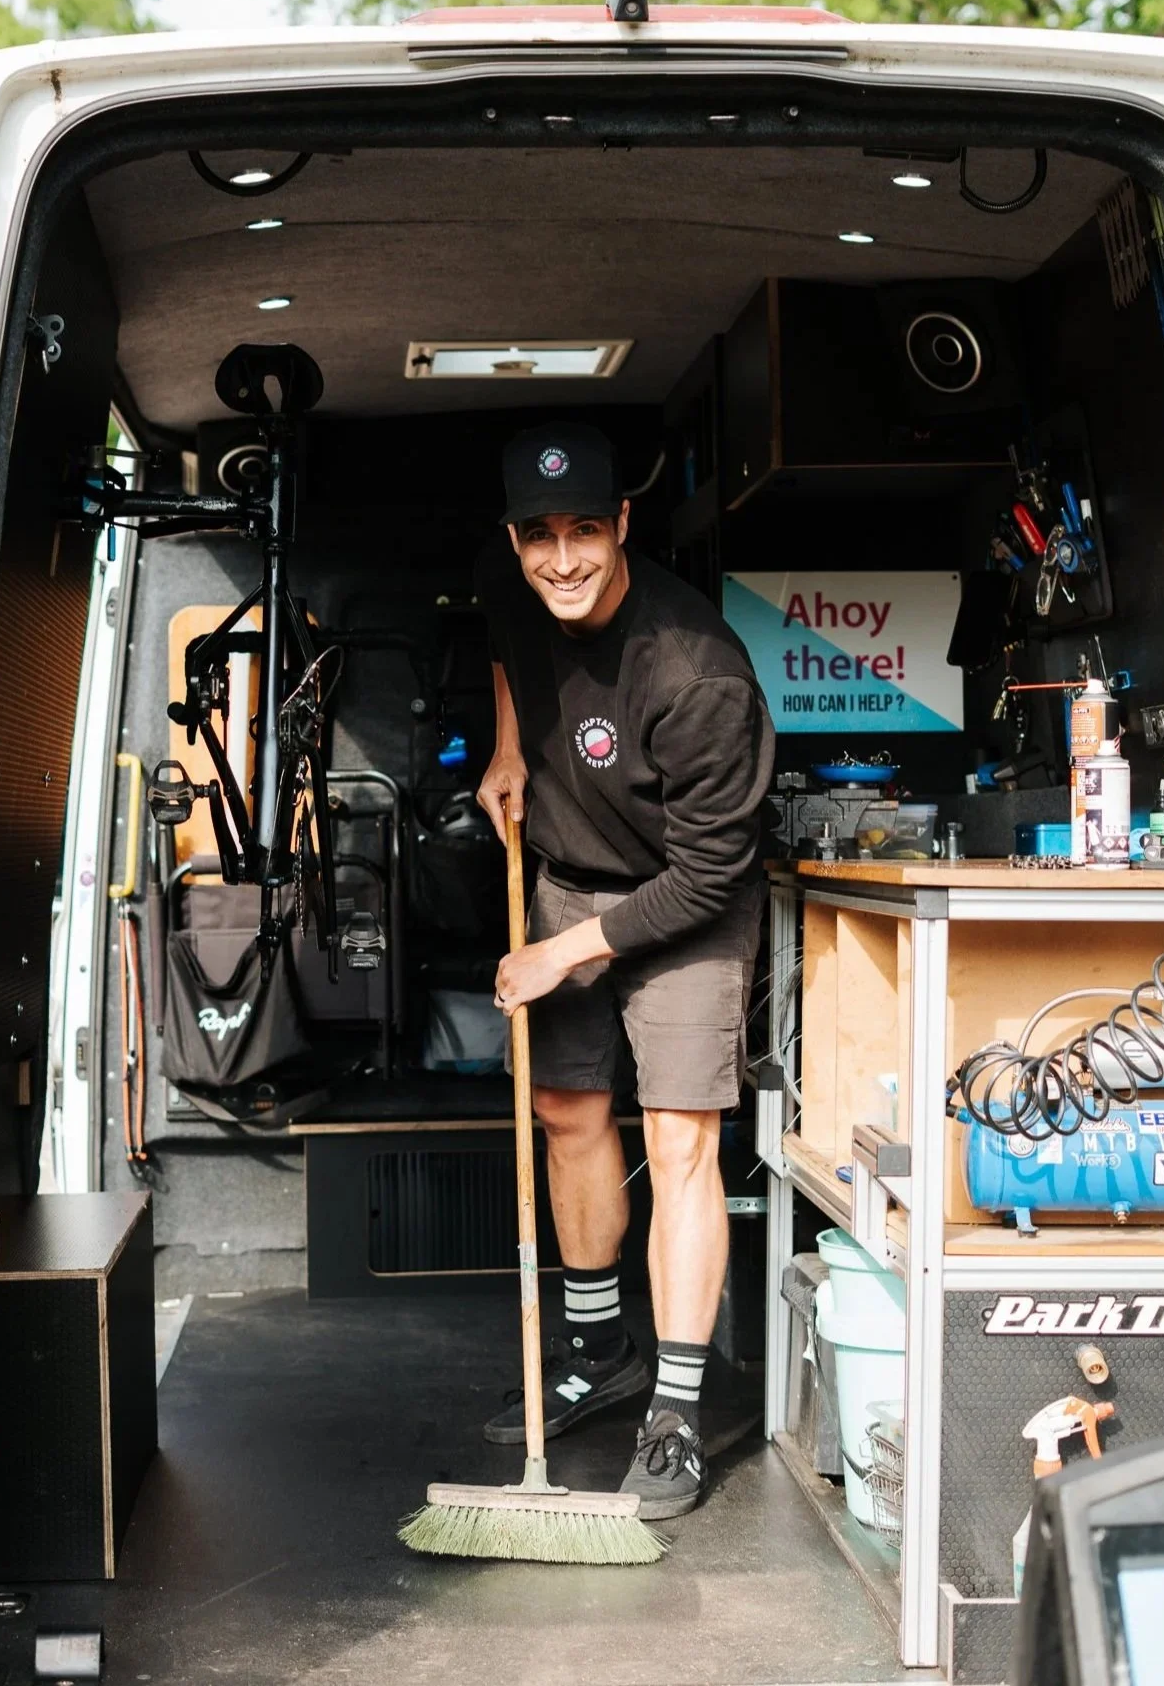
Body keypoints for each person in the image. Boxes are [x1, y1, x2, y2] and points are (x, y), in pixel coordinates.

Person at [475, 421, 775, 1519]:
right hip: (567, 874)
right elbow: (509, 647)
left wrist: (565, 948)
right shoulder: (516, 583)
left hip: (685, 903)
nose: (563, 558)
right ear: (515, 537)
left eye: (586, 533)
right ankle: (602, 1350)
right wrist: (509, 745)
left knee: (681, 1136)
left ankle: (677, 1410)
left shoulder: (698, 675)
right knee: (565, 1109)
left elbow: (707, 876)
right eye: (542, 535)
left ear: (625, 527)